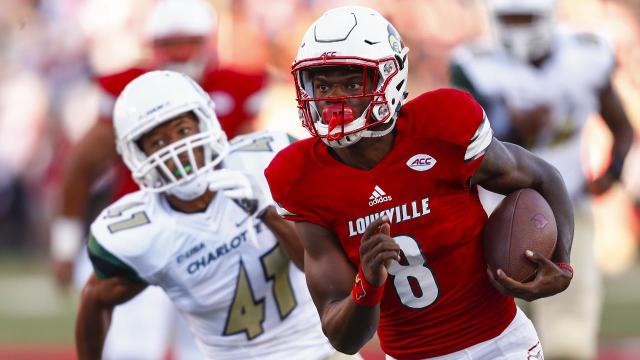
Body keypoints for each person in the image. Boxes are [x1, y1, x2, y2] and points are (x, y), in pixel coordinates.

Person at [264, 6, 575, 359]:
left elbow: (544, 176)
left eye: (352, 83)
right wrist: (367, 284)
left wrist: (562, 261)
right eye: (322, 85)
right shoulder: (299, 177)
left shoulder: (443, 126)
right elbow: (344, 340)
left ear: (389, 78)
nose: (335, 100)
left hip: (501, 346)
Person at [76, 70, 347, 360]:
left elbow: (325, 267)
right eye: (157, 143)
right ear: (137, 154)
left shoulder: (267, 161)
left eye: (183, 131)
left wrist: (266, 213)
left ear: (205, 123)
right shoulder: (143, 230)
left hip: (318, 351)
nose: (176, 150)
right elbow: (96, 298)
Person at [51, 0, 267, 358]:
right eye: (169, 43)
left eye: (189, 41)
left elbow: (250, 161)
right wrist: (63, 243)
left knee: (210, 348)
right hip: (147, 231)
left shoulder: (238, 85)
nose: (180, 52)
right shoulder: (132, 92)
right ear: (152, 45)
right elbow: (81, 165)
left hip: (216, 233)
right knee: (132, 348)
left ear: (210, 41)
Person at [449, 1, 634, 358]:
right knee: (488, 341)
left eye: (525, 18)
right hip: (490, 212)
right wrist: (511, 126)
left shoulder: (585, 55)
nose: (517, 29)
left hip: (568, 209)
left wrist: (612, 172)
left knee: (568, 344)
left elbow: (621, 126)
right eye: (509, 19)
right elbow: (462, 141)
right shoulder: (475, 64)